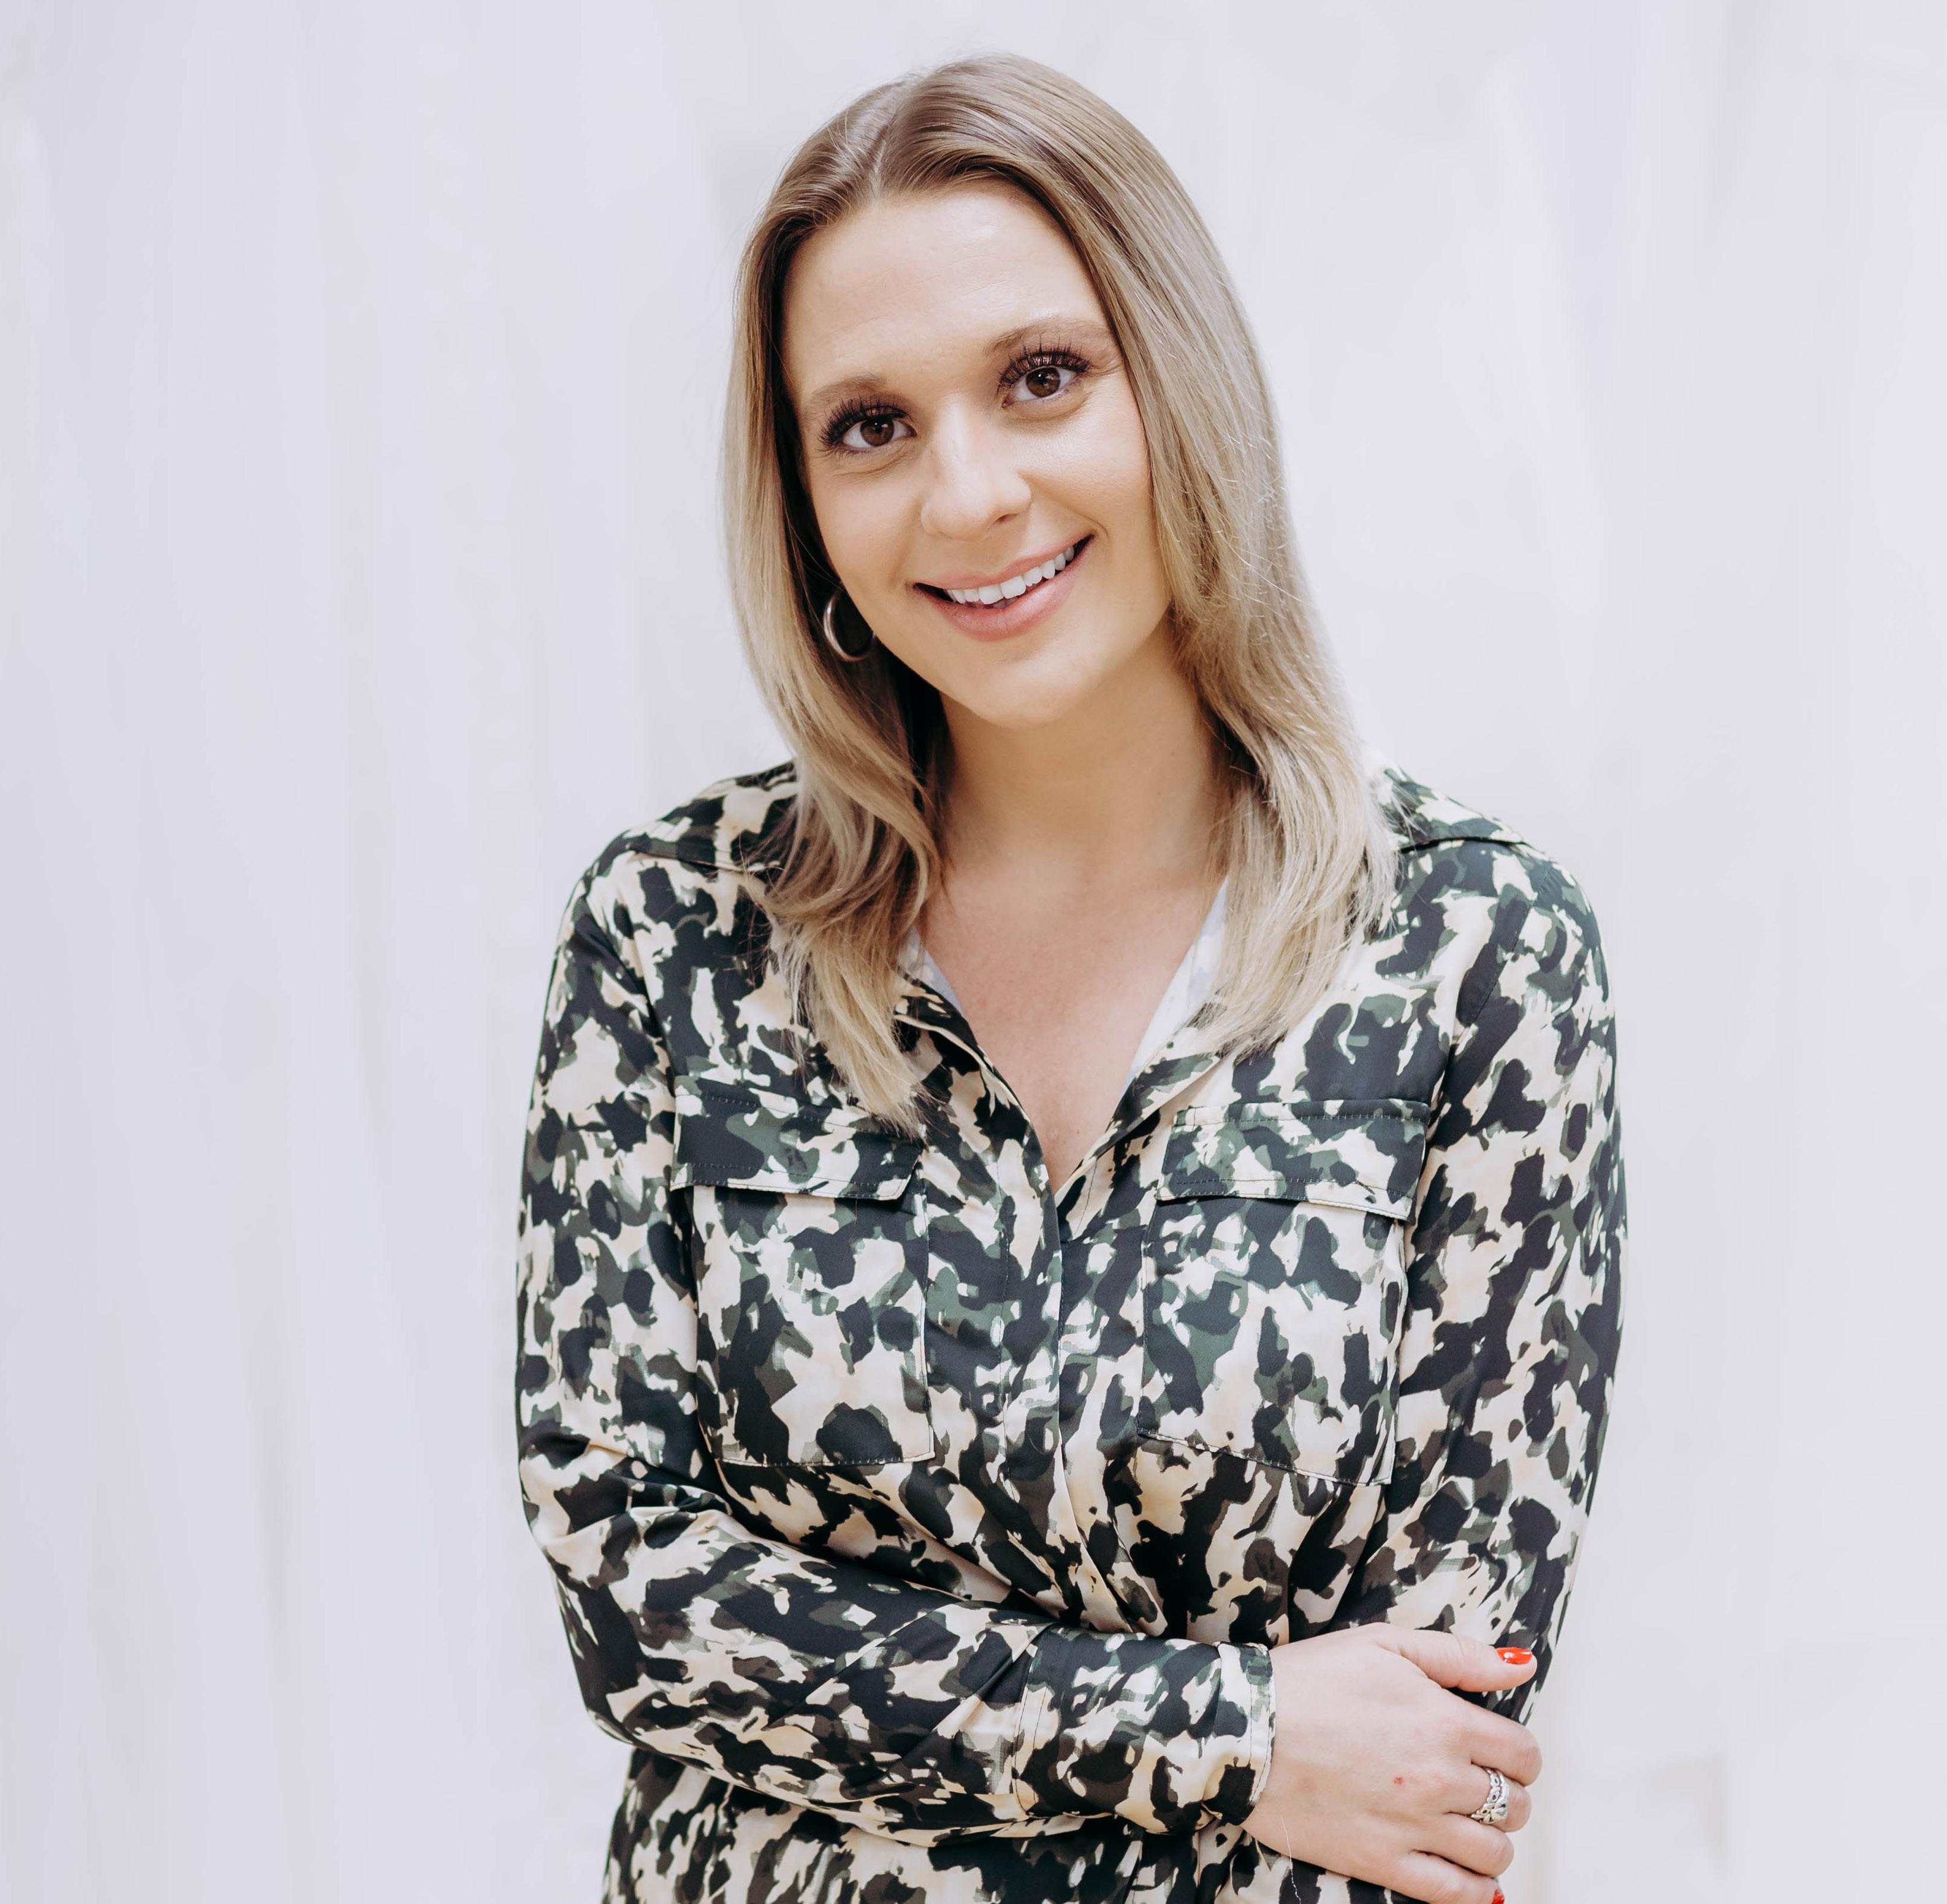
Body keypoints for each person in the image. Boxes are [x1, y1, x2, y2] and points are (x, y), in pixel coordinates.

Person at [514, 52, 1623, 1904]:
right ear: (802, 501)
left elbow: (1435, 1731)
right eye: (870, 424)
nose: (969, 493)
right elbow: (640, 1603)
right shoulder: (670, 937)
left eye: (1043, 378)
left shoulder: (1474, 952)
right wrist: (1242, 1735)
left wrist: (858, 1698)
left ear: (1177, 383)